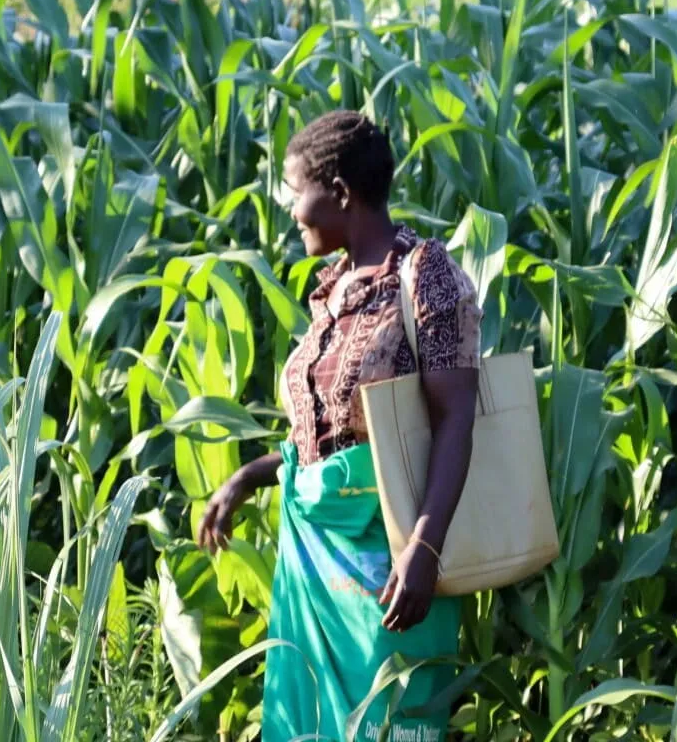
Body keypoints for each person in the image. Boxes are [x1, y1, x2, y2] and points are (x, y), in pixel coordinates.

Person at [196, 109, 482, 742]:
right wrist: (248, 477)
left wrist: (423, 551)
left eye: (298, 191)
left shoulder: (425, 275)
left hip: (390, 569)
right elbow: (330, 440)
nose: (292, 210)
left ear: (341, 192)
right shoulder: (333, 289)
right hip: (314, 568)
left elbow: (457, 417)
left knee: (385, 724)